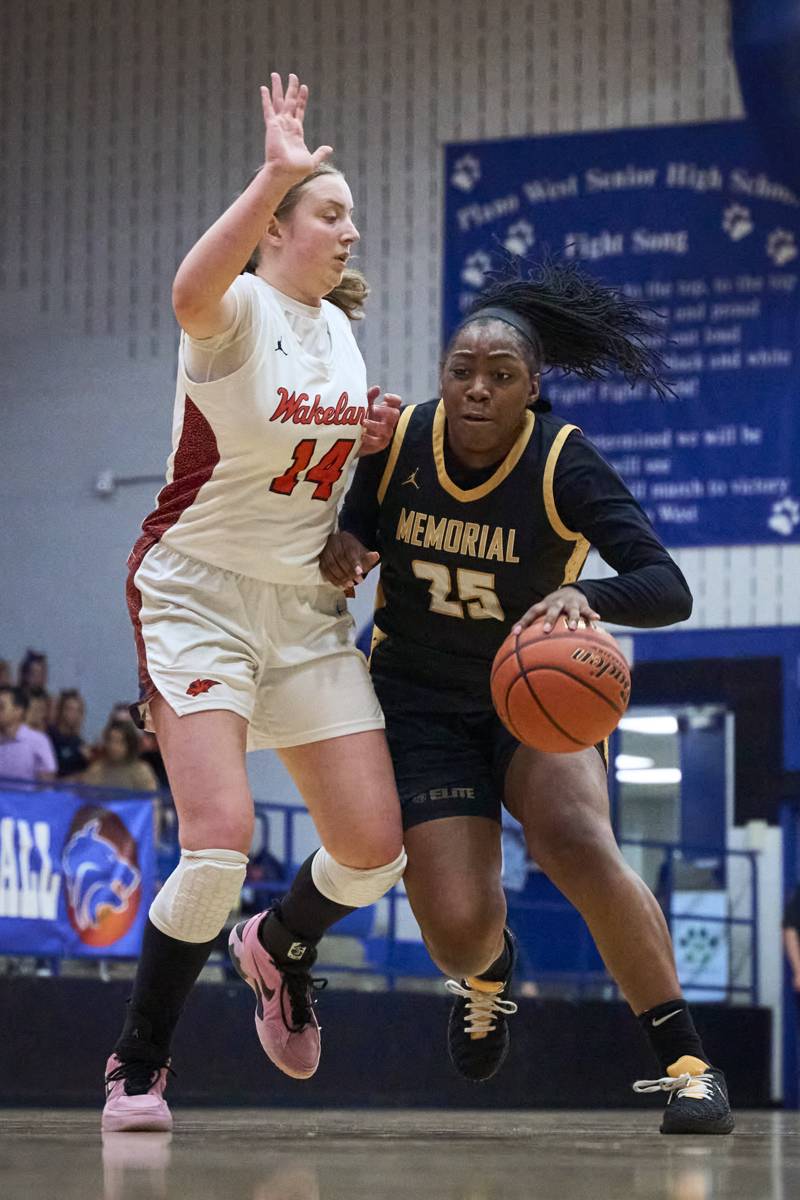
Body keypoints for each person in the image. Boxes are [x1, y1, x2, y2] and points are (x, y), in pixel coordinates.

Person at [321, 257, 734, 1135]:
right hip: (420, 700)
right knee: (459, 932)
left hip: (529, 698)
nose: (476, 390)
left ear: (532, 388)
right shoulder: (399, 440)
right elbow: (360, 518)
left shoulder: (562, 462)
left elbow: (668, 586)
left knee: (578, 839)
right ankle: (488, 969)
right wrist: (349, 547)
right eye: (461, 372)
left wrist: (592, 596)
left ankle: (689, 1064)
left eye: (500, 376)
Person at [102, 74, 405, 1134]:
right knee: (218, 837)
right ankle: (138, 1064)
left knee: (374, 853)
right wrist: (273, 169)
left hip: (300, 611)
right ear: (274, 229)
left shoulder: (335, 328)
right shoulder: (234, 311)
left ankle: (277, 945)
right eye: (331, 212)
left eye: (348, 215)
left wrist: (355, 468)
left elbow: (309, 452)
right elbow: (188, 291)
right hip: (197, 594)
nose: (348, 229)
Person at [81, 720, 160, 793]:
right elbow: (86, 796)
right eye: (110, 741)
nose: (113, 747)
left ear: (129, 744)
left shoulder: (141, 771)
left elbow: (151, 802)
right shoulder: (97, 769)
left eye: (119, 742)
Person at [0, 685, 57, 782]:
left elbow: (47, 783)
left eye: (1, 707)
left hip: (27, 796)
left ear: (18, 711)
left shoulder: (38, 741)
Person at [48, 689, 92, 779]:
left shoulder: (80, 743)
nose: (75, 715)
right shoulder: (49, 738)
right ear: (61, 711)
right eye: (70, 709)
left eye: (79, 711)